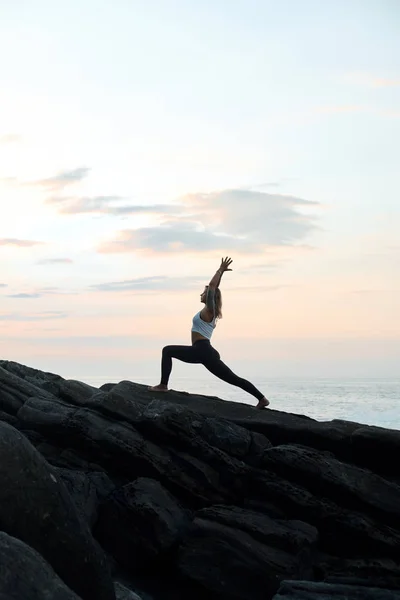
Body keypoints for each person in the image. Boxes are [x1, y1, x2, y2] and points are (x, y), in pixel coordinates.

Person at [149, 257, 269, 409]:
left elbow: (213, 287)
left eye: (203, 292)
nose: (201, 294)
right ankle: (262, 399)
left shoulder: (209, 310)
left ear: (210, 297)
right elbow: (214, 288)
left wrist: (220, 270)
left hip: (202, 350)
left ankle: (163, 386)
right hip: (205, 352)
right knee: (233, 379)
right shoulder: (210, 312)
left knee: (167, 350)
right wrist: (220, 276)